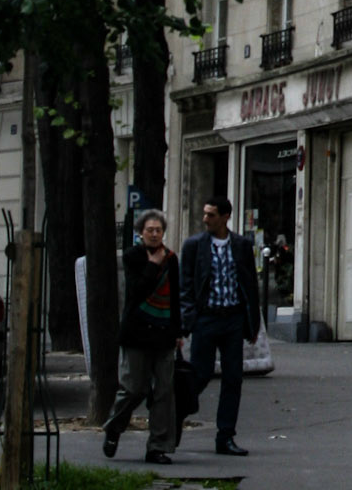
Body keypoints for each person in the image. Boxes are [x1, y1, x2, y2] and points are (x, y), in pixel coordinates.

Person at [179, 196, 260, 456]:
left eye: (211, 215)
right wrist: (187, 320)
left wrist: (252, 324)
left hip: (233, 319)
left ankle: (225, 436)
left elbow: (250, 285)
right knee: (199, 375)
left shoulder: (241, 245)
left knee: (233, 378)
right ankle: (175, 417)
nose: (205, 219)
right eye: (205, 214)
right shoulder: (194, 245)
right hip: (206, 318)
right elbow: (185, 285)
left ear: (225, 217)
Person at [102, 209, 181, 464]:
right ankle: (114, 427)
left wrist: (178, 331)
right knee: (134, 389)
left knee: (164, 392)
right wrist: (152, 265)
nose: (155, 234)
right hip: (137, 333)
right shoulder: (132, 256)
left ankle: (157, 446)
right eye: (150, 230)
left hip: (163, 333)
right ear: (141, 232)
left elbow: (175, 298)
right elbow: (136, 292)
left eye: (158, 230)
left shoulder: (171, 259)